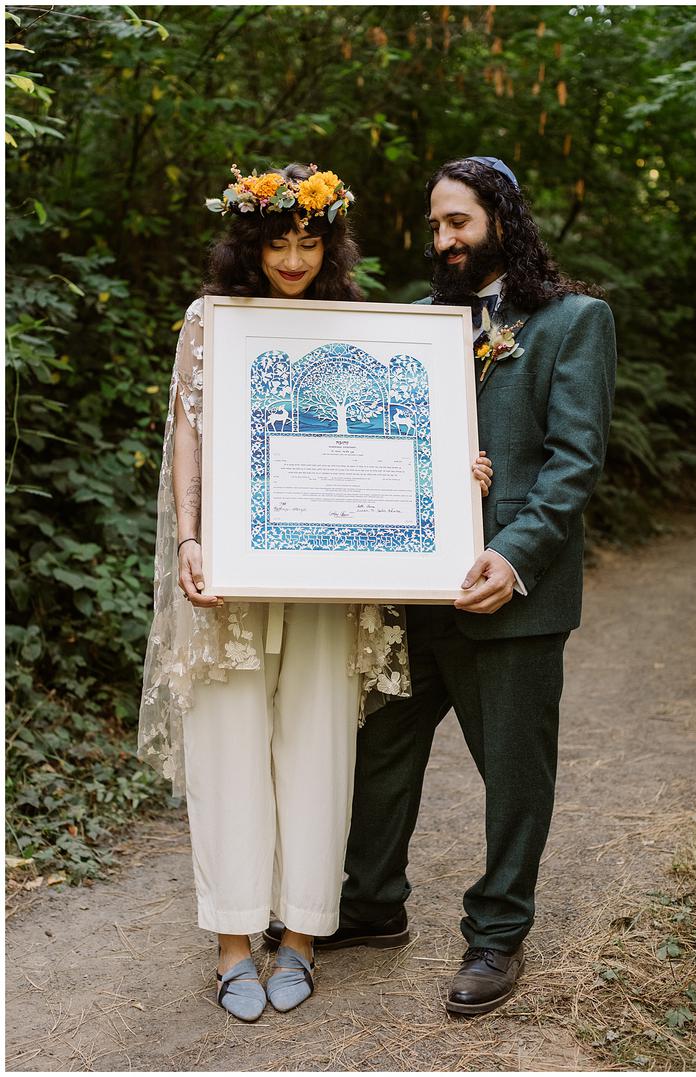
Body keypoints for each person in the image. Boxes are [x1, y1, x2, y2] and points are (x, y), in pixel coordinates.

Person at [138, 162, 493, 1021]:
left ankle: (299, 934)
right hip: (233, 570)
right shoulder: (211, 321)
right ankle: (232, 943)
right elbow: (186, 433)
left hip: (333, 577)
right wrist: (190, 536)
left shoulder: (357, 325)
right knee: (228, 743)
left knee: (320, 745)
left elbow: (399, 435)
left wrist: (453, 481)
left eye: (309, 242)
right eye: (277, 242)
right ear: (249, 242)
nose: (293, 259)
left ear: (331, 244)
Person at [266, 155, 617, 1017]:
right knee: (380, 752)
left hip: (512, 593)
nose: (443, 240)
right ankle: (371, 904)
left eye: (457, 222)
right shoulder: (417, 323)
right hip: (413, 593)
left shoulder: (574, 321)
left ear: (502, 217)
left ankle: (498, 933)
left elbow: (575, 464)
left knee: (514, 772)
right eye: (434, 227)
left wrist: (517, 554)